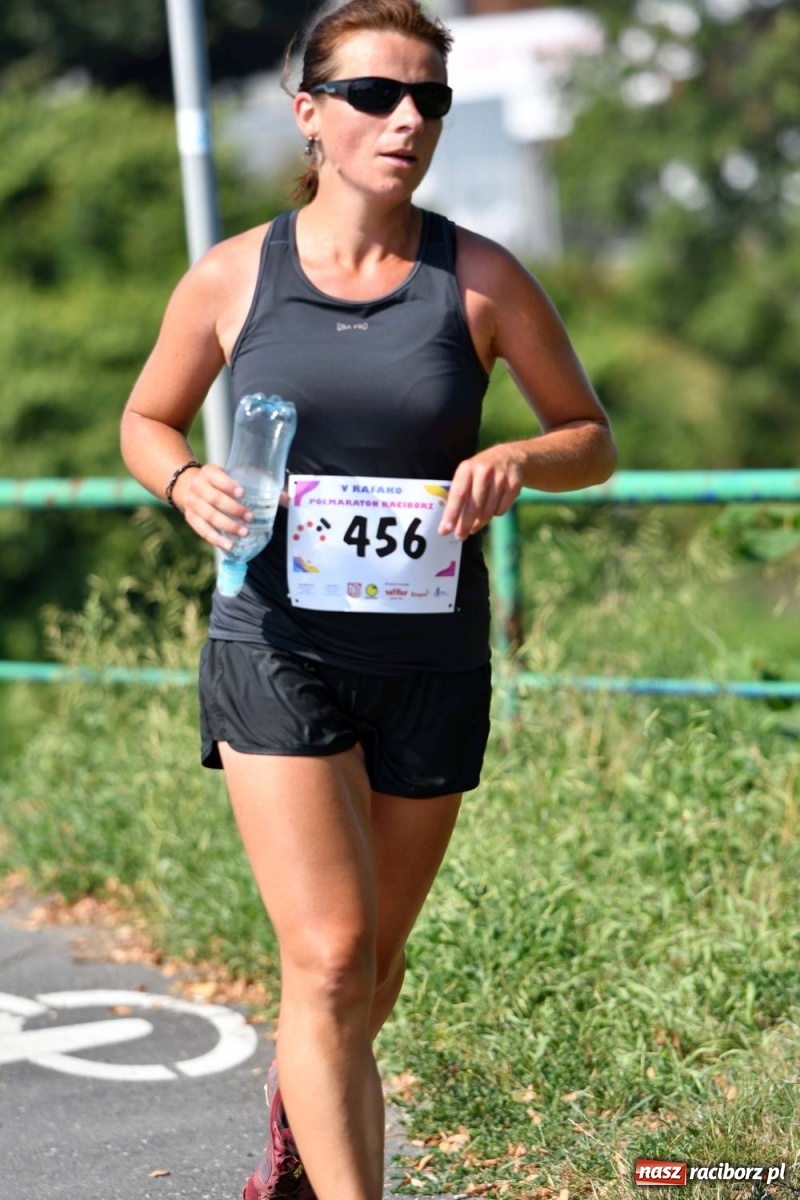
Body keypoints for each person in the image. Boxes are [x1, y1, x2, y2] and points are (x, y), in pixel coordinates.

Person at [120, 2, 616, 1198]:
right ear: (310, 114)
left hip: (429, 663)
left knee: (373, 970)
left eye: (427, 100)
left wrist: (518, 463)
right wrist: (184, 479)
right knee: (331, 958)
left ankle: (298, 1143)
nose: (405, 120)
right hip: (275, 644)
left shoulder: (481, 279)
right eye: (375, 97)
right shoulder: (235, 275)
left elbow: (589, 436)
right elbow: (145, 419)